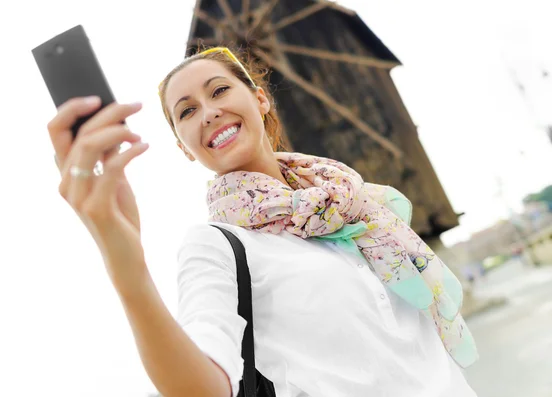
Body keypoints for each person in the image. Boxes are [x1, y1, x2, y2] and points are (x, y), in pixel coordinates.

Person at [47, 47, 479, 397]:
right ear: (184, 147)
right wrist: (127, 267)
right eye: (187, 111)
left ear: (260, 98)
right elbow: (201, 388)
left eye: (218, 91)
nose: (209, 112)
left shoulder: (356, 202)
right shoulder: (214, 246)